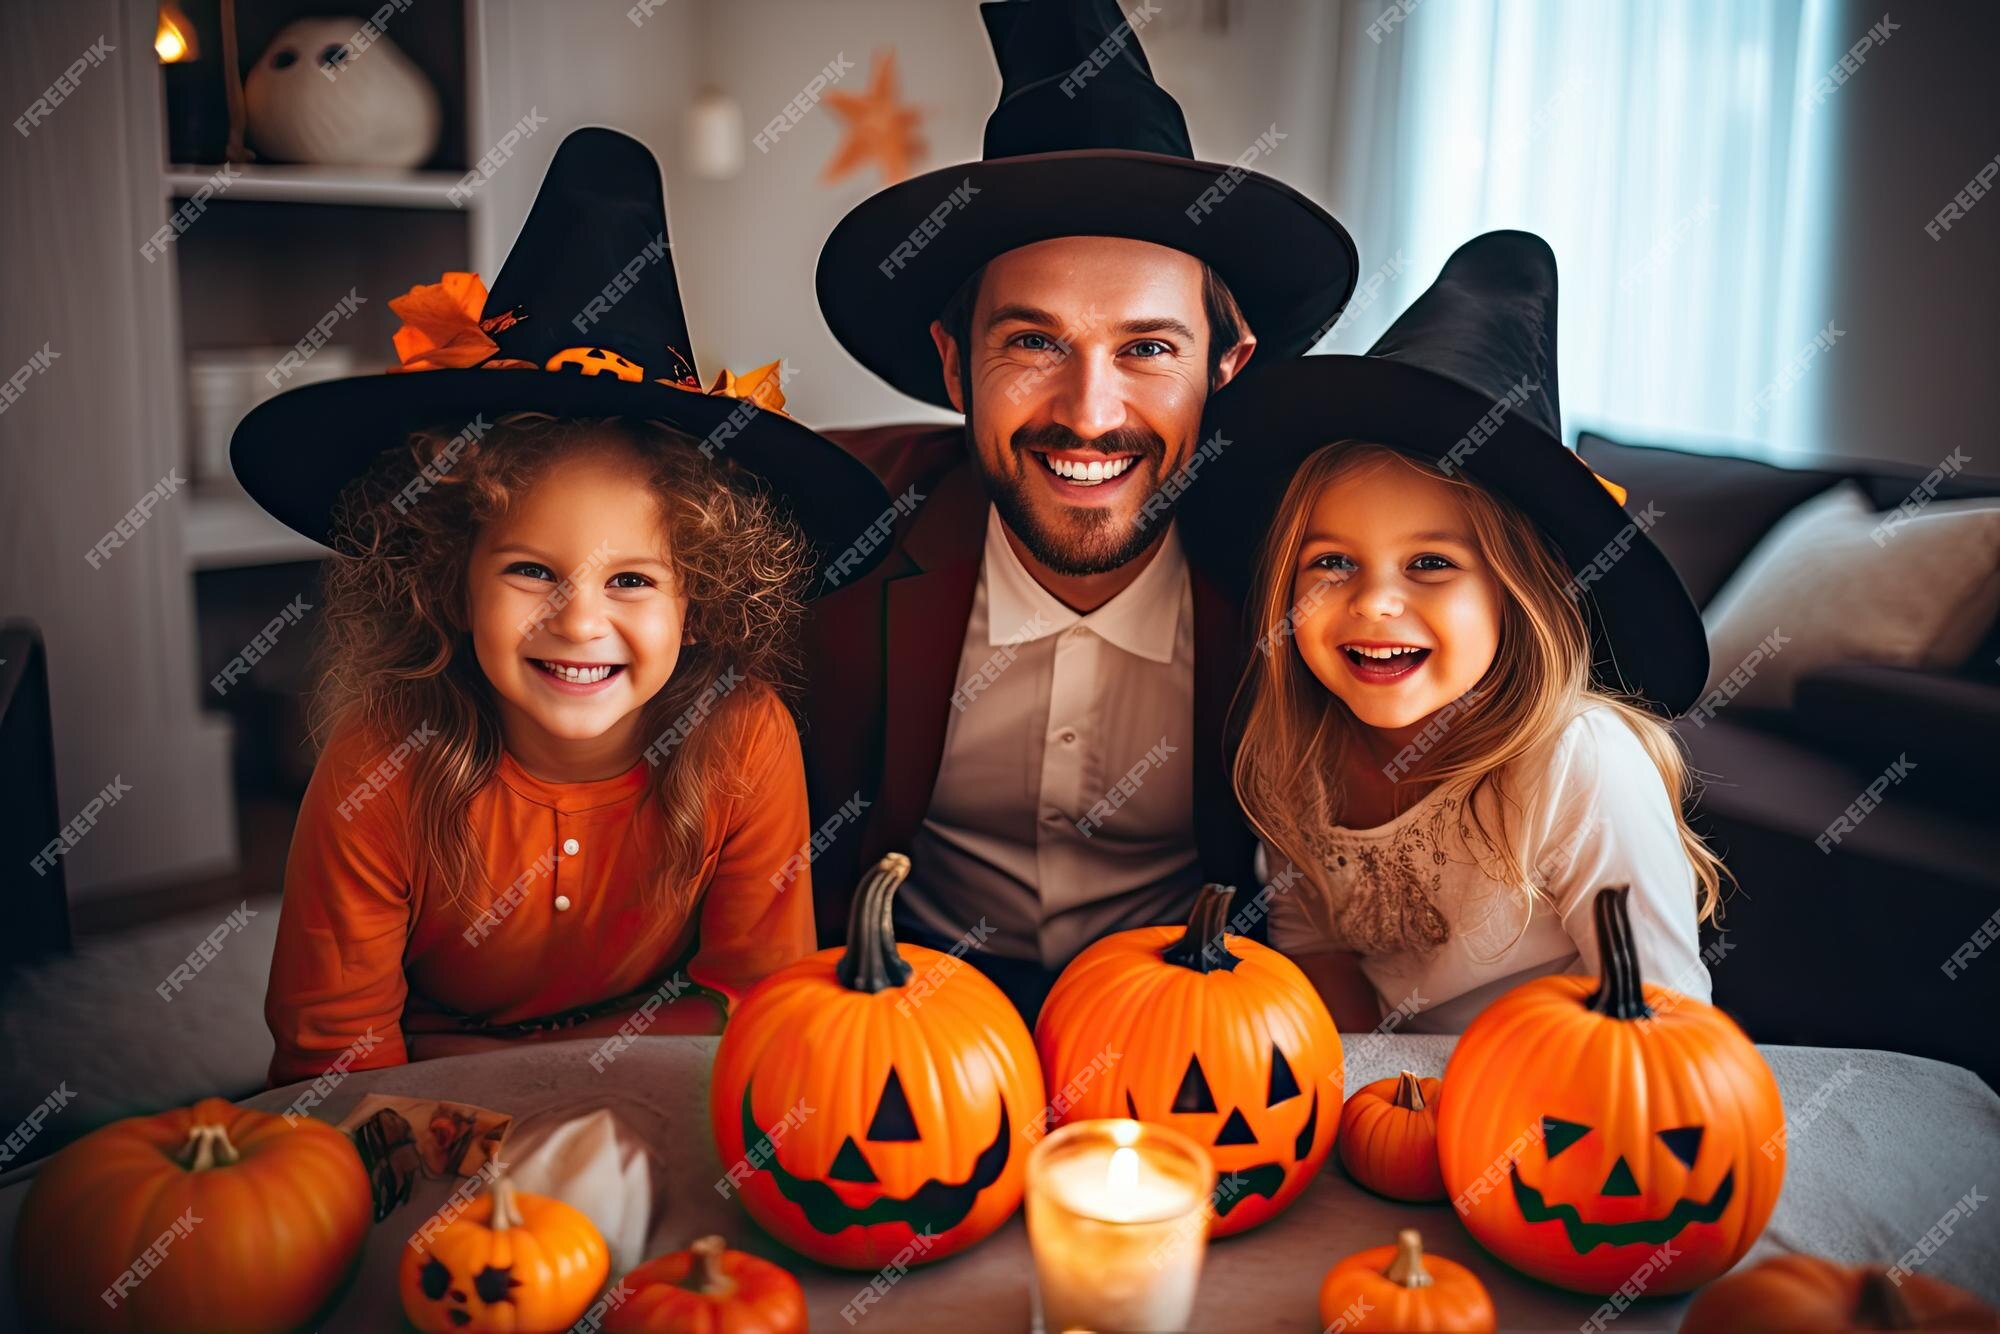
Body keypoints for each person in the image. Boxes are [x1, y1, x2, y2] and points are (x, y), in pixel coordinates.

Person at [239, 129, 893, 1083]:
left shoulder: (745, 738)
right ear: (447, 577)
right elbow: (334, 1051)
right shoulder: (382, 757)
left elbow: (755, 1001)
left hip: (664, 1078)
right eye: (531, 572)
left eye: (632, 580)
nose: (581, 622)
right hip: (427, 1089)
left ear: (701, 600)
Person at [804, 0, 1360, 1022]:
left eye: (1147, 348)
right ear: (951, 360)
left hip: (1190, 1037)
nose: (1088, 415)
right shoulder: (822, 525)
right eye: (1032, 342)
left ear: (1224, 369)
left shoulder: (1309, 576)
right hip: (891, 1027)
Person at [1184, 230, 1724, 1032]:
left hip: (1558, 1104)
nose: (1373, 604)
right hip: (1390, 1109)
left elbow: (1660, 1022)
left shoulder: (1576, 766)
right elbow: (1322, 956)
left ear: (1518, 594)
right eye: (1331, 563)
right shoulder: (1292, 756)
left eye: (1431, 564)